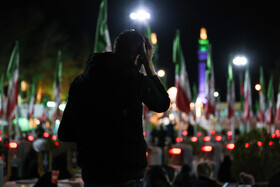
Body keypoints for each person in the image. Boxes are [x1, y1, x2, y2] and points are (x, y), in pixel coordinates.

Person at [58, 29, 170, 186]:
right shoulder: (133, 79)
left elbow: (65, 133)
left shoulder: (80, 82)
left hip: (93, 175)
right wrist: (149, 64)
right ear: (140, 56)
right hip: (127, 175)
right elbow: (162, 104)